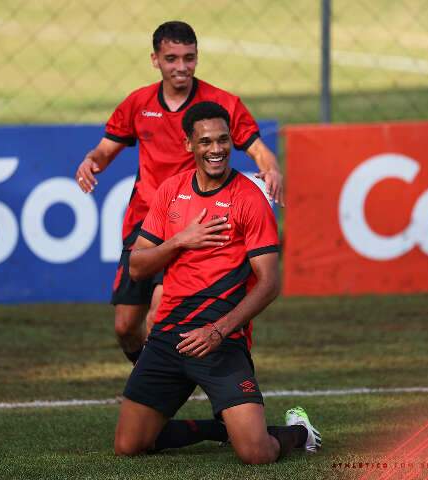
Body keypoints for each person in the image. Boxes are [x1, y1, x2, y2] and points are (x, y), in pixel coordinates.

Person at [114, 102, 321, 463]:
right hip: (168, 336)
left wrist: (218, 331)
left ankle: (300, 431)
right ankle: (220, 429)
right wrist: (180, 240)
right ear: (189, 146)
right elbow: (137, 267)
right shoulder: (169, 191)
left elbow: (269, 283)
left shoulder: (249, 198)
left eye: (224, 140)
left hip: (221, 339)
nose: (216, 149)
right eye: (206, 141)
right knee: (129, 445)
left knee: (256, 453)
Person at [75, 21, 284, 364]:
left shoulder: (222, 104)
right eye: (172, 58)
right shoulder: (138, 104)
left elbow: (259, 149)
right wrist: (90, 161)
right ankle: (151, 383)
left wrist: (271, 167)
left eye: (189, 58)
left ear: (197, 57)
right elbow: (104, 150)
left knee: (159, 315)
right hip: (145, 225)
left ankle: (159, 391)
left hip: (193, 224)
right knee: (126, 327)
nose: (181, 67)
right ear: (155, 60)